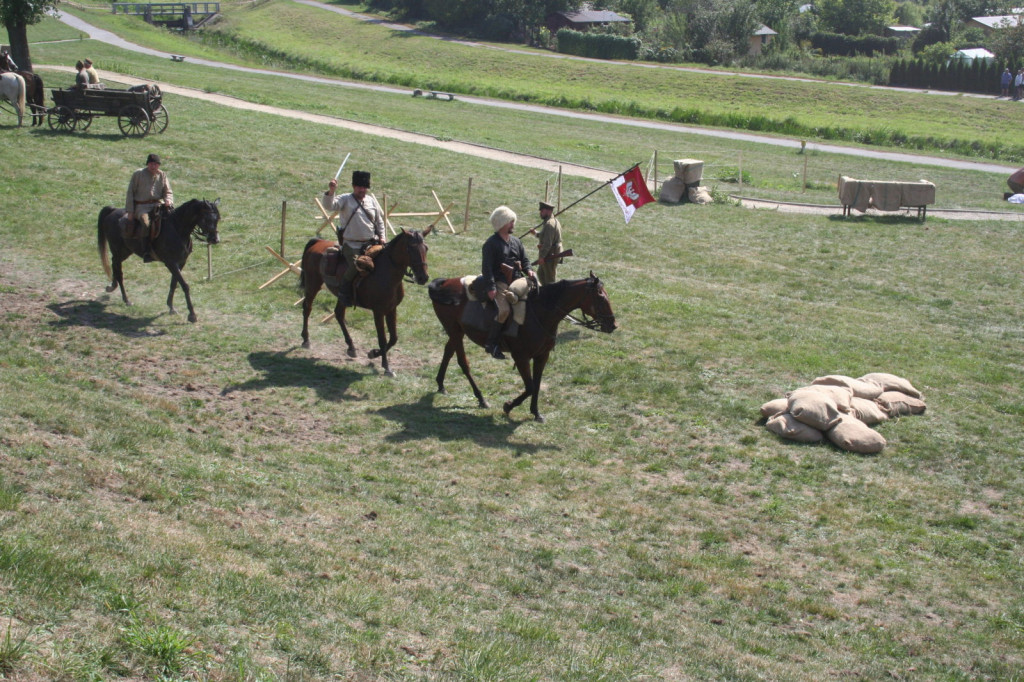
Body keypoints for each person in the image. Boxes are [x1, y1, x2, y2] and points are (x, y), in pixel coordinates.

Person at [322, 170, 387, 307]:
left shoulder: (371, 201)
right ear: (353, 186)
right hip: (351, 245)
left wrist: (382, 237)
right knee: (356, 265)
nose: (362, 190)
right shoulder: (345, 199)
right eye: (359, 187)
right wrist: (331, 191)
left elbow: (379, 221)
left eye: (364, 187)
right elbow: (329, 206)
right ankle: (344, 291)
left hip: (371, 243)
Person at [480, 205, 535, 359]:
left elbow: (525, 260)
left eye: (513, 221)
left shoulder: (516, 241)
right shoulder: (490, 244)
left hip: (518, 280)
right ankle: (491, 343)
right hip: (500, 282)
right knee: (504, 311)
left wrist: (529, 270)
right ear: (501, 223)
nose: (513, 224)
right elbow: (487, 268)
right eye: (510, 222)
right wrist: (491, 288)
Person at [125, 153, 174, 262]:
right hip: (142, 206)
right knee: (146, 224)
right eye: (151, 164)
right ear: (148, 164)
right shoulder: (138, 174)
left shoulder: (162, 175)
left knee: (172, 220)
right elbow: (130, 193)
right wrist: (130, 211)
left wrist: (168, 200)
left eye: (156, 164)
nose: (154, 166)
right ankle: (146, 251)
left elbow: (168, 191)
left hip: (158, 205)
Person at [530, 200, 563, 286]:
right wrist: (536, 234)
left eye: (542, 211)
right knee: (541, 275)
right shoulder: (550, 222)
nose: (540, 213)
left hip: (550, 255)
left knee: (549, 280)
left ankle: (551, 297)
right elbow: (545, 236)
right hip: (549, 254)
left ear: (548, 211)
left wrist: (541, 257)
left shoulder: (549, 224)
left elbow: (548, 243)